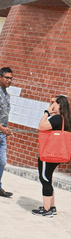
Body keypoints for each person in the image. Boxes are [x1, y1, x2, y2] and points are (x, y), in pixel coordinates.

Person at [32, 95, 71, 217]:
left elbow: (41, 126)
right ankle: (51, 206)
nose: (51, 104)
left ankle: (46, 209)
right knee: (48, 178)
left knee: (44, 179)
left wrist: (46, 112)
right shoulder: (63, 119)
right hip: (55, 154)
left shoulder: (57, 119)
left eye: (53, 102)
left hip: (47, 154)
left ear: (59, 105)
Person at [0, 67, 13, 198]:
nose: (9, 80)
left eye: (11, 78)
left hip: (2, 134)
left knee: (2, 162)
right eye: (7, 77)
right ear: (0, 77)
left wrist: (5, 131)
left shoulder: (6, 95)